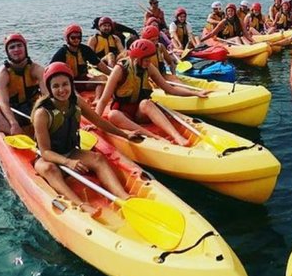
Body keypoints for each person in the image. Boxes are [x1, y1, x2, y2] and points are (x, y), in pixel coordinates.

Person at [31, 62, 138, 216]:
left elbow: (99, 121)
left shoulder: (76, 101)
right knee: (50, 169)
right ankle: (81, 204)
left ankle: (123, 197)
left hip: (70, 151)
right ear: (49, 88)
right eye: (55, 86)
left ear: (70, 84)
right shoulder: (43, 113)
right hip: (49, 158)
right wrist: (68, 162)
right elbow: (45, 151)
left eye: (65, 84)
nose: (61, 90)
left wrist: (125, 134)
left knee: (98, 159)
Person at [96, 39, 209, 147]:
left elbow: (169, 89)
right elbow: (104, 100)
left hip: (140, 113)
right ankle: (154, 136)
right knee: (113, 115)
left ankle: (177, 136)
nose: (149, 63)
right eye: (146, 60)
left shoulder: (148, 67)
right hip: (123, 115)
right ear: (136, 59)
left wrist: (195, 93)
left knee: (146, 103)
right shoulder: (119, 70)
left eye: (149, 59)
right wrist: (94, 122)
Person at [0, 33, 45, 136]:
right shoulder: (3, 74)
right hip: (14, 111)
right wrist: (13, 122)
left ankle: (42, 132)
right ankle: (18, 135)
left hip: (33, 108)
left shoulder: (36, 69)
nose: (16, 49)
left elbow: (46, 96)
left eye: (19, 45)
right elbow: (4, 102)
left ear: (25, 48)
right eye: (12, 47)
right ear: (8, 52)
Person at [50, 24, 110, 100]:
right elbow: (51, 71)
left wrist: (112, 75)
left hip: (84, 81)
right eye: (73, 37)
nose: (76, 40)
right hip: (70, 83)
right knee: (71, 87)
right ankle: (77, 99)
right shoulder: (61, 53)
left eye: (78, 37)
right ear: (67, 38)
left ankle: (97, 99)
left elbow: (99, 64)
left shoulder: (85, 50)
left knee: (103, 79)